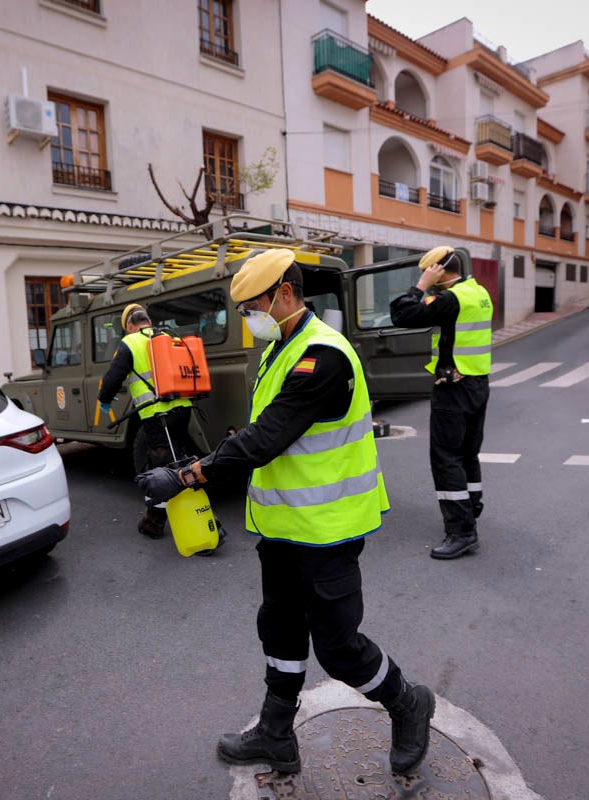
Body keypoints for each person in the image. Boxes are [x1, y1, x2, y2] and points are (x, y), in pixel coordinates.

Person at [136, 248, 435, 777]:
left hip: (327, 530)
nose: (248, 319)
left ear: (284, 294)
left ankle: (408, 703)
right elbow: (271, 428)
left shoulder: (323, 355)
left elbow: (267, 438)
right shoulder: (285, 346)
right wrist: (224, 448)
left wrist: (186, 475)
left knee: (340, 650)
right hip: (283, 529)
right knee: (279, 629)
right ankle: (277, 734)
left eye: (253, 306)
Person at [389, 246, 493, 560]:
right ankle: (471, 508)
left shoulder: (449, 299)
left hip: (453, 387)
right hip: (476, 382)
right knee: (467, 453)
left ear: (437, 270)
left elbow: (401, 313)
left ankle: (461, 532)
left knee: (446, 457)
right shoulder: (478, 292)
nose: (428, 281)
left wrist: (420, 287)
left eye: (430, 273)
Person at [98, 303, 201, 540]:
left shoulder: (131, 342)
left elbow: (113, 377)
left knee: (164, 470)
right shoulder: (167, 336)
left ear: (129, 325)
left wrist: (104, 398)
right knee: (173, 462)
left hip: (158, 416)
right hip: (182, 409)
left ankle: (161, 523)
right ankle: (155, 520)